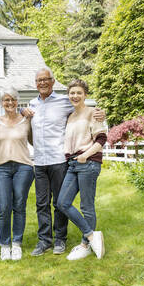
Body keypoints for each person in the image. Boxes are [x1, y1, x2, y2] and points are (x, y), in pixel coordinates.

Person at [22, 67, 105, 257]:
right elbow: (24, 120)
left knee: (59, 204)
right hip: (40, 161)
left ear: (52, 81)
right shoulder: (32, 105)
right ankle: (44, 241)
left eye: (45, 79)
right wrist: (21, 110)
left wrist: (102, 113)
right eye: (38, 80)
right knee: (42, 204)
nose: (42, 83)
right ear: (35, 84)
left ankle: (60, 239)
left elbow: (86, 107)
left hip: (59, 160)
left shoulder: (64, 101)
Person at [57, 79, 106, 260]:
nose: (75, 96)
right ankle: (92, 235)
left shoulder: (93, 113)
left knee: (86, 206)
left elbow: (101, 139)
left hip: (88, 162)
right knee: (62, 202)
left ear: (85, 94)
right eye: (72, 93)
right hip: (73, 163)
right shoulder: (70, 116)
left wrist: (86, 155)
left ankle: (85, 245)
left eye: (79, 92)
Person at [0, 88, 34, 261]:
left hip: (23, 167)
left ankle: (16, 243)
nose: (10, 103)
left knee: (19, 205)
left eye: (13, 100)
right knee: (3, 207)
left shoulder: (26, 120)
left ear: (18, 101)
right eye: (6, 100)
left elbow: (35, 140)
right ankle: (5, 245)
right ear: (1, 102)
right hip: (1, 168)